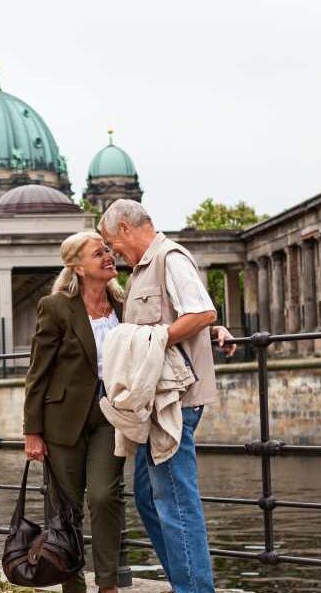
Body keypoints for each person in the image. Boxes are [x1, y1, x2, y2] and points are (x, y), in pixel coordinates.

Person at [98, 199, 236, 593]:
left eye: (114, 243)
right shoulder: (143, 269)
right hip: (155, 403)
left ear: (126, 227)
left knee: (175, 501)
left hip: (175, 401)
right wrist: (208, 331)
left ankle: (194, 589)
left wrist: (154, 340)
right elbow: (188, 316)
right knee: (148, 496)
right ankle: (185, 581)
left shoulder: (169, 257)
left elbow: (201, 311)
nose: (116, 253)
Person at [23, 231, 127, 593]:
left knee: (103, 495)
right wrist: (32, 431)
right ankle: (73, 585)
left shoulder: (123, 305)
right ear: (78, 267)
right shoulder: (56, 307)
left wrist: (212, 330)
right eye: (99, 253)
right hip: (62, 420)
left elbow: (162, 331)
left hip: (110, 415)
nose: (108, 257)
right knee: (66, 508)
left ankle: (109, 584)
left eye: (108, 251)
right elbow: (38, 372)